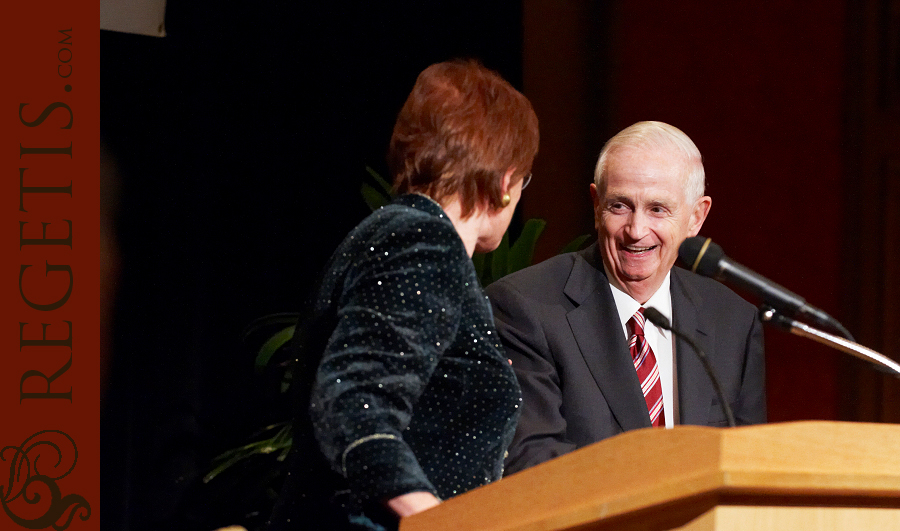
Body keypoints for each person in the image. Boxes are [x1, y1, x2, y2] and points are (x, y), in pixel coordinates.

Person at [268, 60, 539, 530]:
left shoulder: (391, 233)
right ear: (505, 182)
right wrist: (438, 522)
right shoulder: (422, 241)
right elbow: (357, 402)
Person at [485, 121, 766, 476]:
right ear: (595, 203)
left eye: (658, 209)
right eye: (620, 206)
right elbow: (533, 463)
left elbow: (748, 468)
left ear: (696, 217)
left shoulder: (732, 322)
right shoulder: (527, 309)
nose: (636, 230)